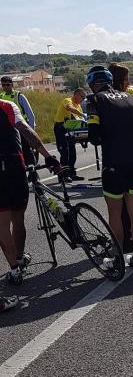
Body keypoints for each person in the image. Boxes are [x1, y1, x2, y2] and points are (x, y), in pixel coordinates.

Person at [86, 66, 133, 270]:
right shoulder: (131, 98)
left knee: (115, 213)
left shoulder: (94, 101)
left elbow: (94, 137)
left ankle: (118, 258)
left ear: (92, 84)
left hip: (114, 163)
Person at [0, 99, 60, 287]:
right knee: (18, 219)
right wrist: (48, 157)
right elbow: (26, 131)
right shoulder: (7, 105)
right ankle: (19, 258)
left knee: (2, 225)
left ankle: (14, 270)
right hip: (14, 167)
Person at [0, 76, 37, 165]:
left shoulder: (19, 96)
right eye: (3, 85)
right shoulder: (1, 96)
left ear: (12, 85)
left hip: (21, 127)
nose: (5, 87)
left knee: (26, 150)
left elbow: (30, 115)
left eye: (7, 85)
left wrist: (31, 132)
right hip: (8, 129)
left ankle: (33, 172)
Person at [54, 88, 86, 182]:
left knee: (72, 153)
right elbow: (69, 108)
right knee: (64, 153)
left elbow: (79, 119)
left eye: (84, 97)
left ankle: (72, 174)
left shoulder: (78, 105)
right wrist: (81, 114)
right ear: (76, 95)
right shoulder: (67, 100)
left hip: (70, 128)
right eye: (82, 97)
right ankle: (63, 175)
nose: (83, 99)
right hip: (61, 128)